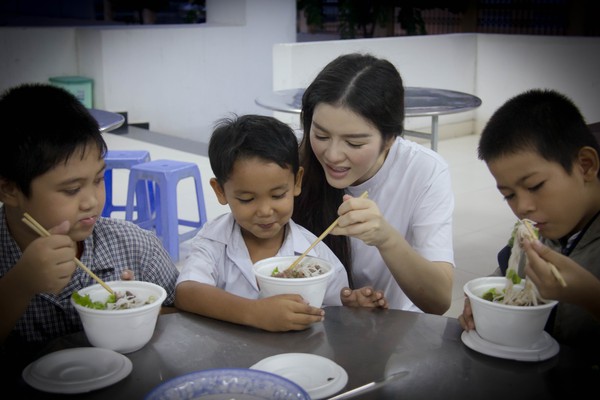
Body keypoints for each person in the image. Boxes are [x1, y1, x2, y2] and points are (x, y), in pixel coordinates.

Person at [0, 83, 179, 376]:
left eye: (98, 179)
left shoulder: (135, 247)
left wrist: (140, 311)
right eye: (71, 189)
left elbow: (184, 318)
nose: (92, 201)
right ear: (8, 189)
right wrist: (20, 285)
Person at [175, 114, 387, 332]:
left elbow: (336, 307)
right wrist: (255, 312)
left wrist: (352, 304)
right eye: (247, 199)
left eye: (277, 195)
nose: (266, 211)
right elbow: (186, 292)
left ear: (296, 182)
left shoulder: (314, 253)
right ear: (220, 191)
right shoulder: (214, 241)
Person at [293, 53, 455, 314]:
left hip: (391, 332)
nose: (333, 155)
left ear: (390, 138)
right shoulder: (296, 163)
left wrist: (386, 238)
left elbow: (438, 301)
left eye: (354, 143)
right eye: (321, 135)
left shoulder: (424, 171)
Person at [458, 89, 600, 355]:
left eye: (535, 186)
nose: (522, 208)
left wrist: (590, 296)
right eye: (508, 196)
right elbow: (503, 281)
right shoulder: (535, 238)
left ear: (586, 165)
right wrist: (479, 307)